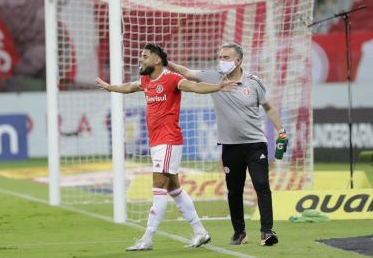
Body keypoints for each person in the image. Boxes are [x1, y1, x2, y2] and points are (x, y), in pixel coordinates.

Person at [96, 43, 237, 251]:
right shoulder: (146, 80)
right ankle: (200, 232)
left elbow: (195, 87)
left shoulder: (171, 78)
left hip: (169, 140)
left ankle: (147, 238)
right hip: (157, 142)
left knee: (158, 188)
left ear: (157, 60)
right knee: (175, 189)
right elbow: (129, 87)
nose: (140, 60)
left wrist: (217, 87)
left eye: (145, 56)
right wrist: (110, 87)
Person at [168, 42, 287, 246]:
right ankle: (239, 233)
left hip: (255, 144)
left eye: (226, 58)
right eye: (220, 57)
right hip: (230, 146)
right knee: (234, 190)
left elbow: (268, 107)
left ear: (238, 60)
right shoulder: (214, 77)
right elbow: (187, 72)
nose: (221, 61)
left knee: (261, 185)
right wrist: (165, 61)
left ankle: (267, 232)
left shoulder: (253, 82)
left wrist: (281, 130)